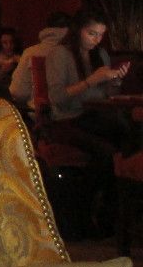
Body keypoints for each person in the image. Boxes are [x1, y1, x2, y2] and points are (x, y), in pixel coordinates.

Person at [45, 8, 130, 160]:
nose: (97, 40)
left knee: (129, 129)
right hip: (69, 118)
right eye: (92, 34)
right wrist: (91, 81)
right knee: (113, 142)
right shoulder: (60, 53)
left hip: (97, 115)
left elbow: (109, 96)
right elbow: (57, 98)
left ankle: (126, 169)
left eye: (101, 35)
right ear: (78, 30)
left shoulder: (100, 54)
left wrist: (116, 80)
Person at [9, 12, 69, 110]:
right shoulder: (80, 52)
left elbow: (17, 92)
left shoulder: (31, 53)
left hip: (40, 113)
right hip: (76, 114)